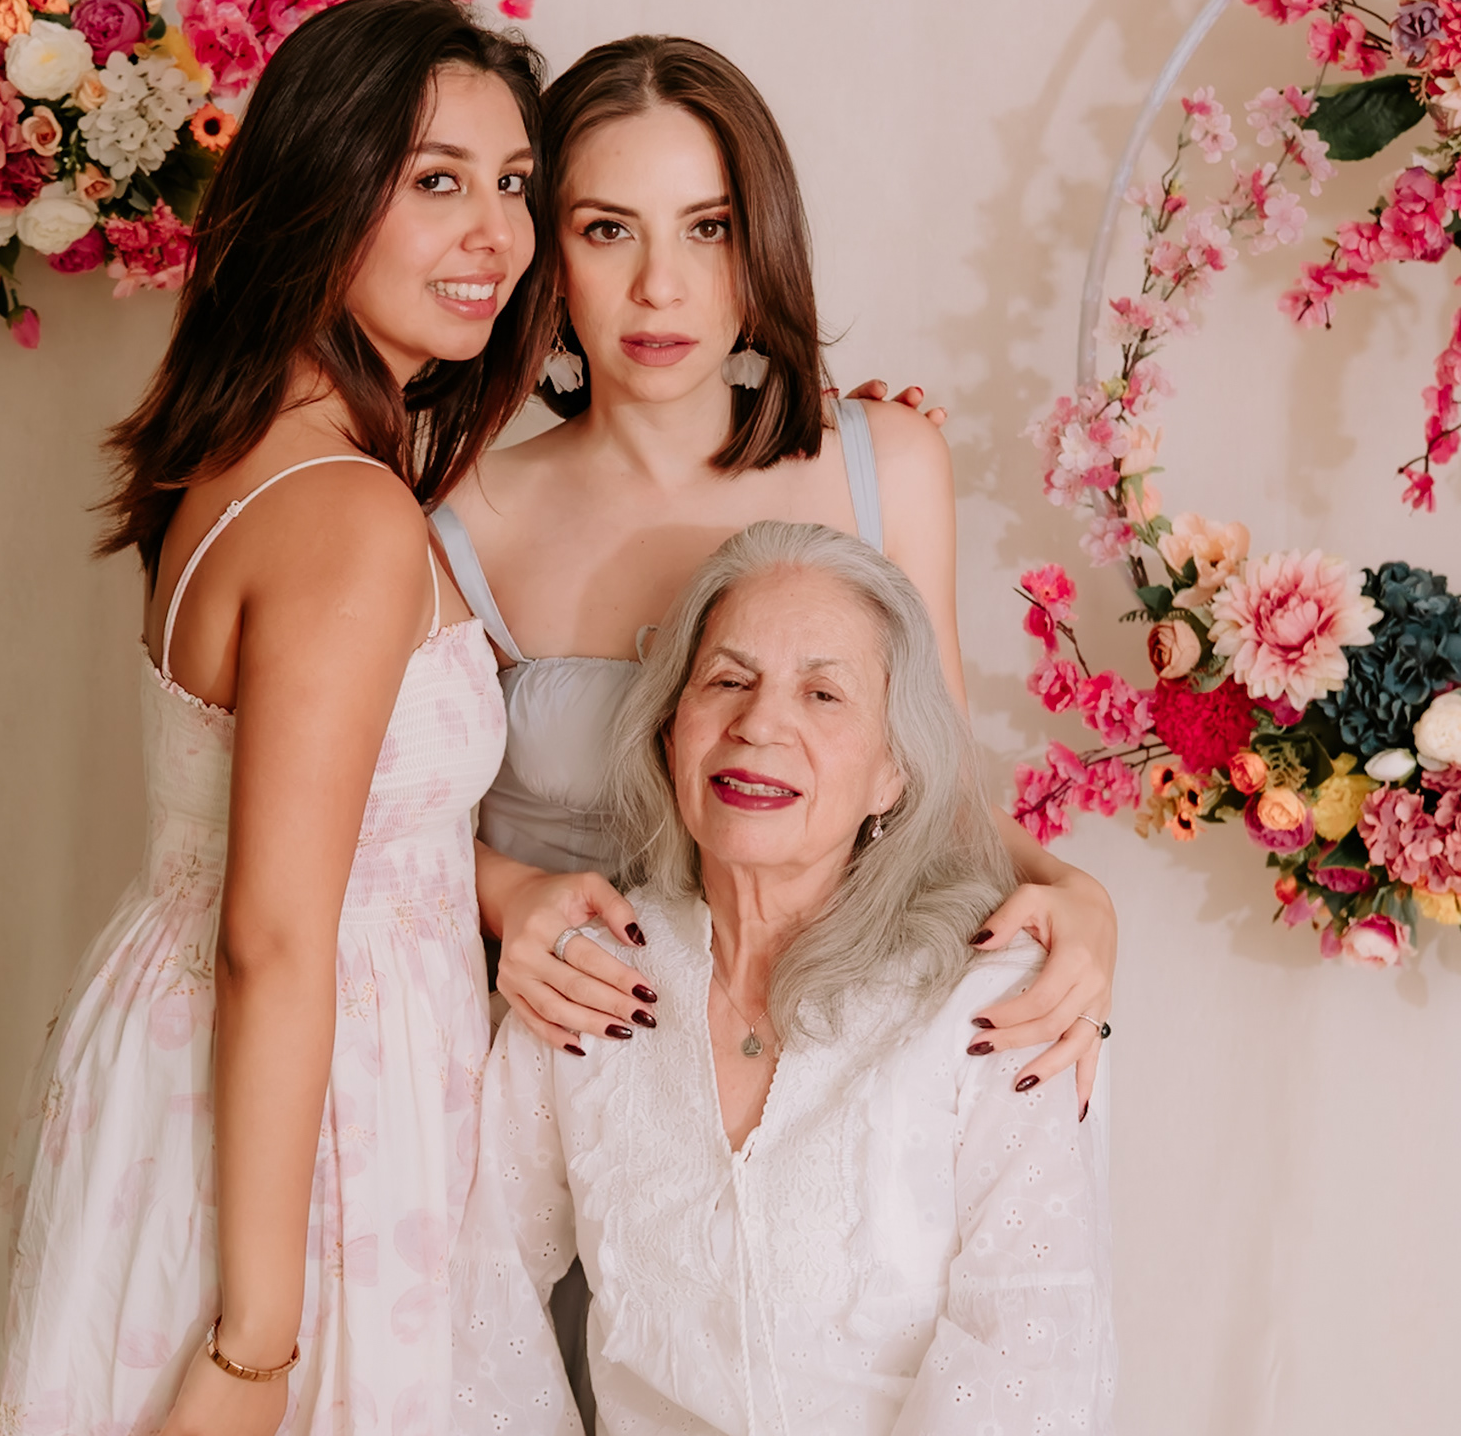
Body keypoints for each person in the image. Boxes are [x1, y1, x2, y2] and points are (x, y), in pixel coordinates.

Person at [0, 0, 553, 1436]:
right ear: (323, 189)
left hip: (198, 1067)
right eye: (438, 182)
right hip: (307, 1109)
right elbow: (276, 935)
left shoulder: (244, 451)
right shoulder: (346, 511)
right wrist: (254, 1349)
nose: (498, 235)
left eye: (515, 184)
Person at [437, 37, 1116, 1105]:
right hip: (555, 1062)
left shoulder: (886, 465)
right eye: (608, 229)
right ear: (545, 255)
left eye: (707, 228)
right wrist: (506, 894)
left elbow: (937, 791)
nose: (660, 287)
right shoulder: (460, 516)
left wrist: (1076, 891)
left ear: (761, 247)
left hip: (820, 1059)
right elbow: (385, 823)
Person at [452, 521, 1116, 1435]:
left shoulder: (998, 1002)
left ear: (892, 773)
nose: (759, 724)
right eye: (727, 681)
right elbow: (477, 1300)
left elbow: (1032, 1349)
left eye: (823, 693)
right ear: (671, 732)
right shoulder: (589, 977)